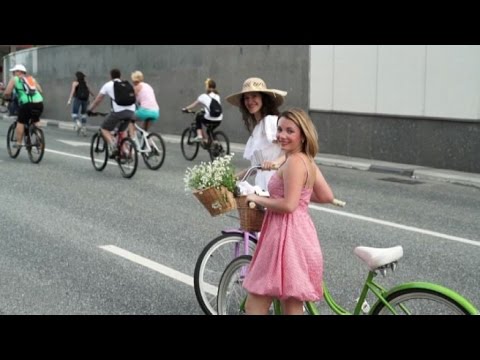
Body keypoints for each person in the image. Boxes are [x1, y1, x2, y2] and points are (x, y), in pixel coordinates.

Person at [242, 108, 335, 315]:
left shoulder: (294, 162)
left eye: (290, 131)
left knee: (254, 306)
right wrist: (300, 193)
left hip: (285, 235)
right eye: (280, 129)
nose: (282, 136)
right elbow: (326, 196)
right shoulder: (306, 160)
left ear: (302, 135)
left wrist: (257, 198)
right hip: (301, 235)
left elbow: (288, 205)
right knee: (292, 306)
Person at [225, 77, 287, 191]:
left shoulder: (271, 121)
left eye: (254, 96)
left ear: (263, 99)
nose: (250, 101)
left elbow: (293, 151)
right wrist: (229, 180)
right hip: (262, 186)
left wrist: (274, 163)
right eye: (246, 98)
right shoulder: (257, 128)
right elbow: (256, 168)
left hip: (276, 185)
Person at [88, 68, 136, 156]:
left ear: (110, 76)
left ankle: (113, 146)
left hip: (118, 112)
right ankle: (126, 152)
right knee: (122, 130)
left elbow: (98, 100)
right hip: (131, 112)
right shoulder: (126, 84)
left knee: (104, 128)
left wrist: (90, 109)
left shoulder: (108, 84)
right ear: (120, 76)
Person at [3, 64, 44, 148]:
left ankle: (18, 143)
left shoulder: (15, 79)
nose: (13, 73)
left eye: (14, 71)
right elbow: (40, 90)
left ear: (19, 72)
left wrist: (5, 97)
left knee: (20, 121)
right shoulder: (31, 79)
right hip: (39, 103)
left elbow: (7, 92)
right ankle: (40, 139)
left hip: (26, 104)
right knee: (36, 120)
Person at [182, 78, 223, 142]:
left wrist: (185, 108)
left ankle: (199, 136)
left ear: (207, 87)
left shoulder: (203, 96)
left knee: (198, 117)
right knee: (209, 131)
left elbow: (194, 105)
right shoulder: (217, 96)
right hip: (219, 119)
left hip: (210, 119)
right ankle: (215, 145)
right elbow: (211, 106)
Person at [67, 71, 95, 136]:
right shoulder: (85, 83)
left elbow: (73, 91)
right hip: (85, 100)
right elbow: (89, 90)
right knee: (83, 115)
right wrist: (94, 96)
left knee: (74, 114)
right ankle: (84, 129)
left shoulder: (75, 83)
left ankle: (77, 123)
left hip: (77, 99)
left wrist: (69, 100)